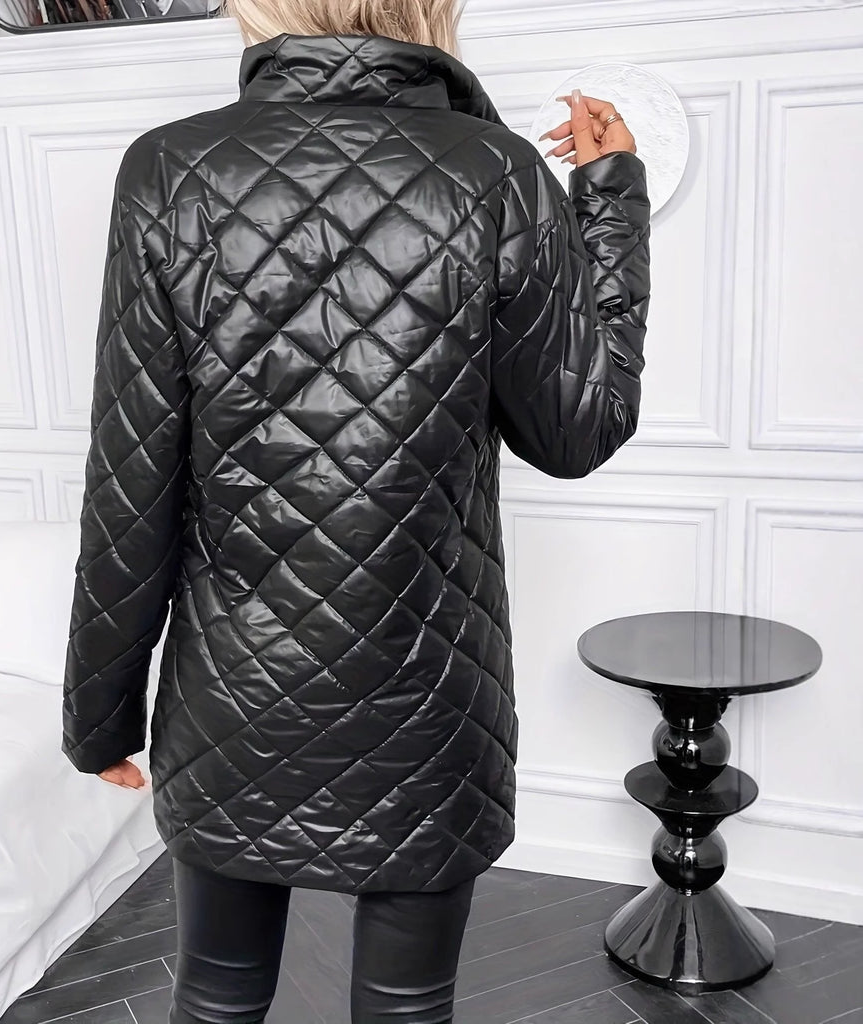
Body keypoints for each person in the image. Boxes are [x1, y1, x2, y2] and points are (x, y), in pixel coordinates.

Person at [60, 0, 651, 1019]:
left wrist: (99, 711)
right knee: (405, 1008)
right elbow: (578, 431)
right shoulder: (496, 171)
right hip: (432, 691)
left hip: (233, 692)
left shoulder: (169, 170)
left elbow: (131, 473)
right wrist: (609, 205)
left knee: (215, 997)